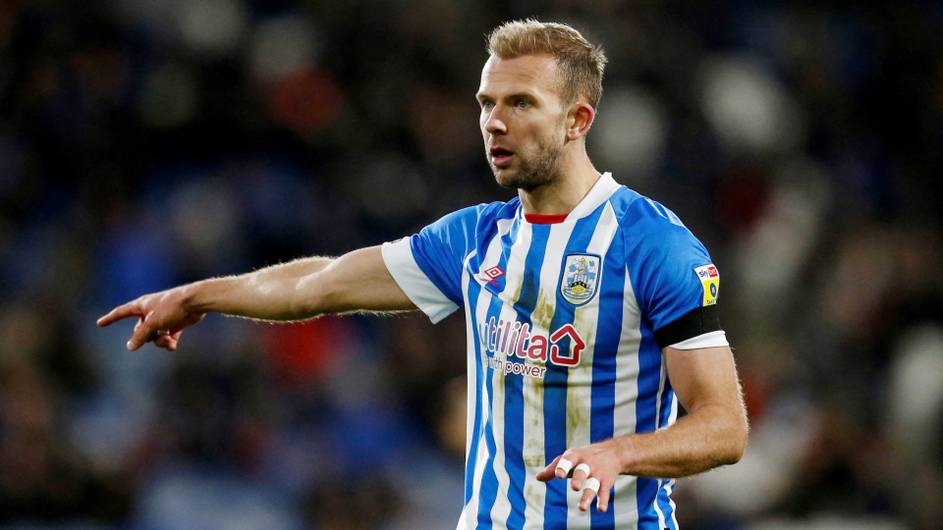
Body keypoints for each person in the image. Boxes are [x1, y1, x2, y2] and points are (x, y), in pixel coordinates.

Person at [98, 19, 748, 530]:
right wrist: (199, 296)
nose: (494, 122)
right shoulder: (474, 238)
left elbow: (723, 426)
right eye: (487, 103)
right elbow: (316, 284)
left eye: (521, 103)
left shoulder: (652, 244)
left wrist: (620, 453)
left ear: (577, 120)